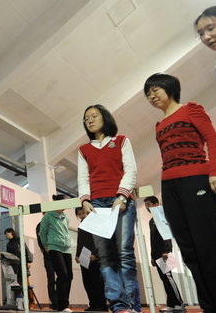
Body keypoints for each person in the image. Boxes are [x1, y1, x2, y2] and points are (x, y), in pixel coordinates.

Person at [144, 73, 216, 312]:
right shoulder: (159, 125)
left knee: (209, 246)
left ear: (170, 88)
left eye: (155, 89)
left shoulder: (191, 109)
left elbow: (213, 140)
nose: (151, 95)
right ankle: (209, 306)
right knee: (188, 250)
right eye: (148, 93)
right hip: (169, 186)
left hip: (196, 179)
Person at [77, 104, 137, 313]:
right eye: (86, 118)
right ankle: (119, 306)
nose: (90, 120)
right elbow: (83, 178)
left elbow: (130, 170)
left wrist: (122, 196)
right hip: (97, 207)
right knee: (105, 257)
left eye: (94, 116)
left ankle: (132, 304)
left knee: (125, 254)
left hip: (121, 203)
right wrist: (85, 201)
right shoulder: (83, 150)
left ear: (105, 117)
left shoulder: (121, 141)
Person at [143, 196, 184, 311]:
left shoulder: (162, 216)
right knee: (164, 279)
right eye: (146, 205)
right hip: (156, 255)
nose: (147, 207)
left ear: (156, 204)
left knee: (168, 278)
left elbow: (167, 236)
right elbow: (152, 240)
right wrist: (152, 256)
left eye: (149, 204)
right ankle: (171, 303)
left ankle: (179, 304)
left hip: (164, 253)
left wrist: (166, 251)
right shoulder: (152, 220)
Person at [38, 195, 73, 313]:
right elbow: (42, 233)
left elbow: (66, 231)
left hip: (66, 248)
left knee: (69, 276)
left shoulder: (66, 217)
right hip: (54, 248)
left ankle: (64, 304)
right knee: (62, 274)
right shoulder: (48, 216)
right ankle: (61, 305)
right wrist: (46, 247)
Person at [74, 207, 107, 312]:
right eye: (79, 214)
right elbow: (80, 241)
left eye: (83, 213)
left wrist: (96, 255)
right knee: (87, 282)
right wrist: (77, 254)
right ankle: (93, 304)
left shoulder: (94, 223)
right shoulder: (80, 225)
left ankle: (102, 305)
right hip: (84, 256)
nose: (82, 215)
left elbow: (99, 240)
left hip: (94, 257)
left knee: (97, 282)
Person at [36, 219, 58, 311]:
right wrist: (45, 249)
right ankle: (55, 302)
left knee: (63, 276)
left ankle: (60, 300)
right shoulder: (40, 225)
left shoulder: (55, 222)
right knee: (51, 279)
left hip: (58, 253)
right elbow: (40, 239)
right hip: (48, 254)